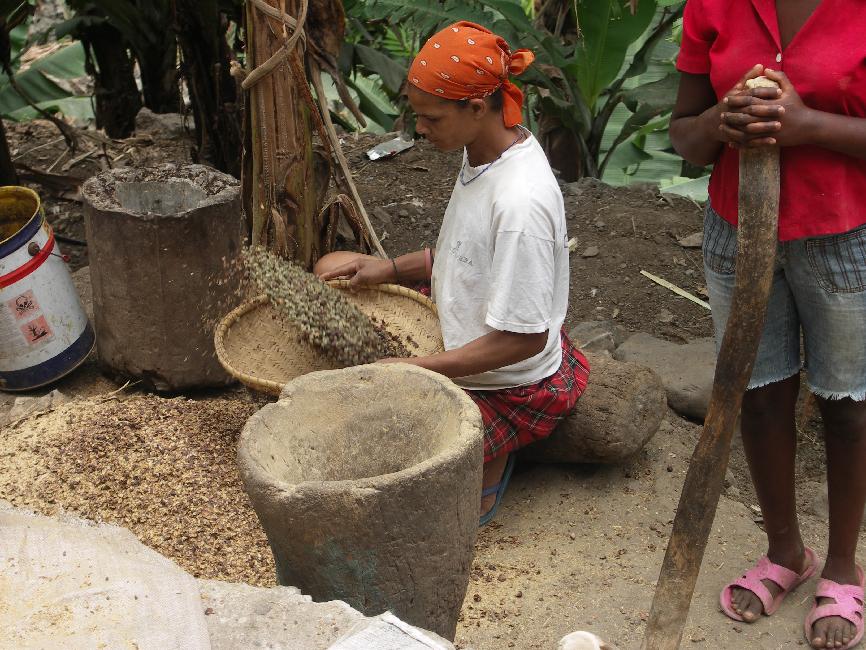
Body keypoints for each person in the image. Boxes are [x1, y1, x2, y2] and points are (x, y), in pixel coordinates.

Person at [316, 21, 589, 527]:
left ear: (476, 108)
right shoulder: (482, 153)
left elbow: (523, 339)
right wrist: (388, 269)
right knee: (330, 269)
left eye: (430, 118)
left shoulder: (520, 203)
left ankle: (492, 460)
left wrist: (416, 369)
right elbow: (463, 254)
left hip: (505, 384)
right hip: (464, 328)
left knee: (377, 466)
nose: (420, 129)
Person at [670, 1, 866, 648]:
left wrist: (808, 125)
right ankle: (786, 551)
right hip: (737, 230)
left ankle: (842, 565)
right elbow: (684, 139)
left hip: (843, 236)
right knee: (759, 396)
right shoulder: (713, 6)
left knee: (848, 404)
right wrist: (717, 122)